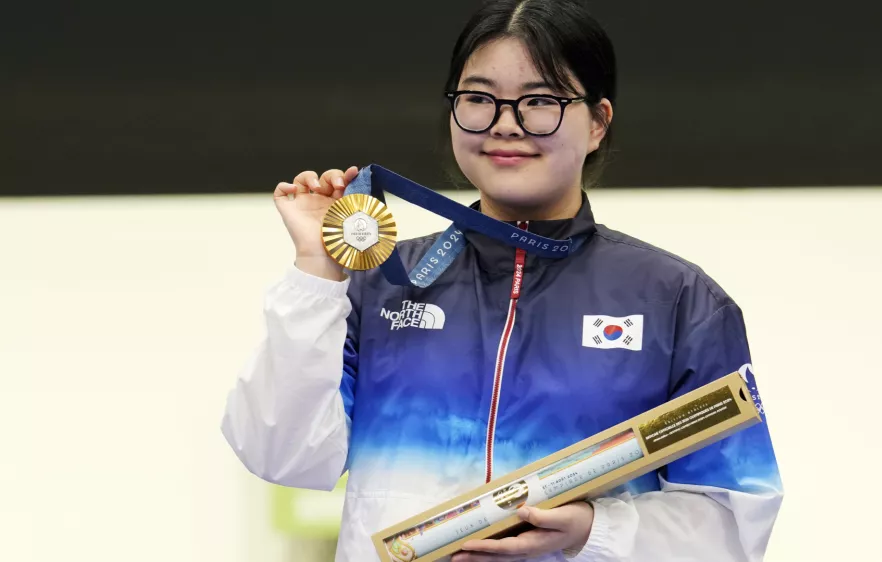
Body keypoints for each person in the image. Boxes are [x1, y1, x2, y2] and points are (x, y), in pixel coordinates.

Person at [221, 1, 783, 560]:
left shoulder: (677, 300)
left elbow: (732, 526)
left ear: (597, 122)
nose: (504, 123)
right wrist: (318, 271)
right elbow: (282, 455)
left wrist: (595, 530)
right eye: (478, 99)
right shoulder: (382, 283)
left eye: (541, 101)